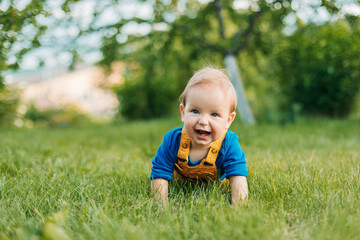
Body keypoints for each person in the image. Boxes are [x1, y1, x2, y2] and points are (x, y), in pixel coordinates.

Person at [150, 67, 248, 207]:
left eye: (214, 114)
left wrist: (238, 209)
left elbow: (238, 176)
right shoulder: (173, 140)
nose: (203, 121)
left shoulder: (228, 143)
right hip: (182, 181)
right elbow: (159, 173)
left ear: (228, 120)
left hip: (214, 183)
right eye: (195, 111)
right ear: (183, 112)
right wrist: (161, 207)